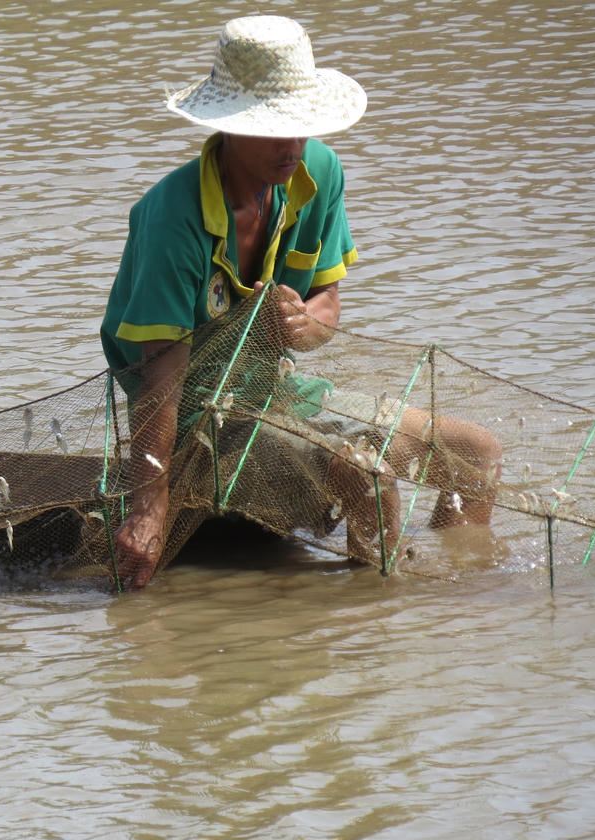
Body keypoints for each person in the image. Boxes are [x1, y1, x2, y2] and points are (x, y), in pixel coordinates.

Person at [100, 15, 501, 589]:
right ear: (229, 127)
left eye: (302, 126)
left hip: (273, 388)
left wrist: (302, 323)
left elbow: (326, 307)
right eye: (272, 129)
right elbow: (161, 374)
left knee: (475, 454)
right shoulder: (173, 217)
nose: (291, 145)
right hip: (197, 420)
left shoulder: (318, 171)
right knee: (368, 478)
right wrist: (148, 506)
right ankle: (372, 619)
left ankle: (464, 590)